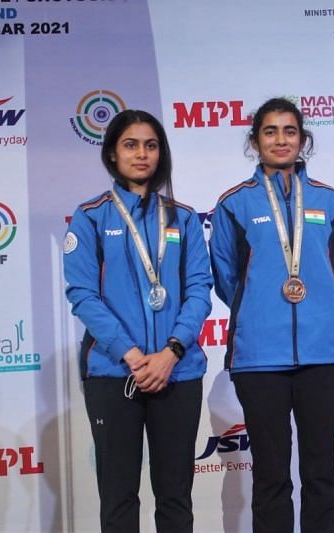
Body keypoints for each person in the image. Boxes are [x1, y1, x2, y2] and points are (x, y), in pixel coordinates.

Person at [209, 97, 334, 533]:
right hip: (259, 358)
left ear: (303, 139)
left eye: (289, 131)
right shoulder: (234, 203)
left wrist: (312, 310)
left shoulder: (329, 200)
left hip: (323, 355)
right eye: (269, 131)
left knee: (322, 475)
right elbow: (227, 278)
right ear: (255, 141)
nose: (280, 140)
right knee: (271, 478)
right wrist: (262, 311)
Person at [63, 109, 212, 532]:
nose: (141, 154)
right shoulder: (91, 215)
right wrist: (131, 354)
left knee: (175, 497)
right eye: (131, 144)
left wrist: (171, 352)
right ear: (113, 153)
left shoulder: (182, 217)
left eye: (151, 145)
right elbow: (83, 295)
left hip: (177, 372)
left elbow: (200, 289)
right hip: (113, 372)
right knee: (118, 497)